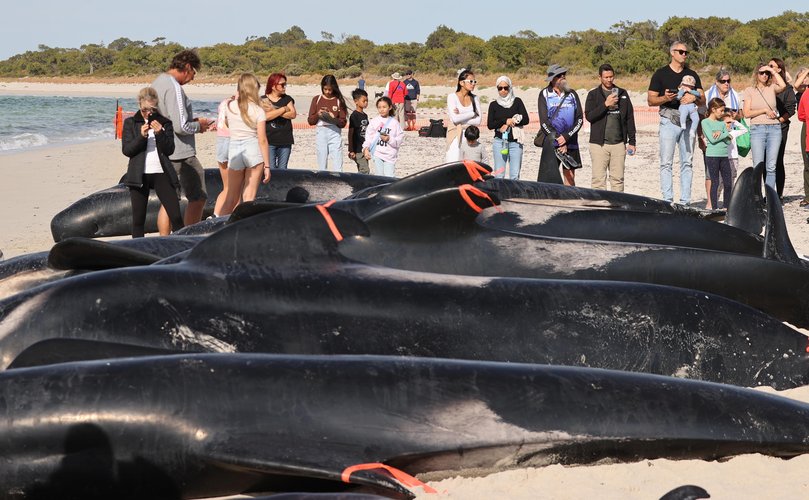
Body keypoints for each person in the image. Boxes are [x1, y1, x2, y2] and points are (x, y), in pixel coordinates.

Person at [151, 49, 213, 234]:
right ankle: (188, 237)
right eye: (194, 72)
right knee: (198, 197)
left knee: (169, 199)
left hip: (161, 147)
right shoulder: (174, 87)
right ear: (187, 67)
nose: (193, 78)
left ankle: (164, 239)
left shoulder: (157, 82)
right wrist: (199, 126)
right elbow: (181, 126)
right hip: (180, 152)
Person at [121, 87, 183, 237]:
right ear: (139, 106)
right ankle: (138, 253)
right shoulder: (131, 123)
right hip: (138, 175)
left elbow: (170, 150)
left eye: (152, 110)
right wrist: (141, 137)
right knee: (138, 220)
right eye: (144, 110)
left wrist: (160, 133)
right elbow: (127, 150)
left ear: (156, 107)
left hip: (161, 172)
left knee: (175, 215)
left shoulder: (165, 123)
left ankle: (182, 246)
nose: (148, 113)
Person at [648, 41, 703, 205]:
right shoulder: (660, 74)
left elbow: (703, 98)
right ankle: (667, 200)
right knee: (666, 162)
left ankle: (685, 201)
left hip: (687, 120)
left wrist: (694, 97)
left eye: (686, 53)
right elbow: (651, 100)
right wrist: (666, 98)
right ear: (672, 53)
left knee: (687, 162)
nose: (684, 55)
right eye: (681, 52)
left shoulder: (692, 74)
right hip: (668, 121)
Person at [220, 73, 271, 216]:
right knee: (248, 198)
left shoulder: (230, 106)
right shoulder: (258, 110)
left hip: (235, 149)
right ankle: (244, 228)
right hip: (252, 148)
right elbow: (262, 139)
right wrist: (267, 165)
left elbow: (226, 123)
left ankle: (219, 228)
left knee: (230, 197)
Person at [585, 63, 636, 192]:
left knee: (618, 180)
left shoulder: (623, 93)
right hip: (598, 145)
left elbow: (630, 118)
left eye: (611, 77)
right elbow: (590, 116)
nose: (609, 80)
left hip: (619, 144)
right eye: (606, 77)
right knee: (598, 180)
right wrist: (606, 104)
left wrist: (632, 142)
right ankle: (600, 209)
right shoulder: (593, 95)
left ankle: (617, 209)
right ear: (600, 77)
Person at [742, 62, 787, 192]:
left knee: (771, 166)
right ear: (756, 74)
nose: (764, 76)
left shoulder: (772, 87)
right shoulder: (749, 90)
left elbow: (783, 85)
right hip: (757, 129)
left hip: (774, 129)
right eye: (762, 73)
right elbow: (746, 113)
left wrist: (773, 71)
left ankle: (769, 197)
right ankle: (756, 196)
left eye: (767, 73)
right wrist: (764, 110)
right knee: (758, 165)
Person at [537, 64, 583, 186]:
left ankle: (569, 203)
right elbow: (544, 123)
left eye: (564, 75)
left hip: (571, 141)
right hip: (552, 142)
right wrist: (558, 140)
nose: (563, 77)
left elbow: (579, 120)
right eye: (559, 76)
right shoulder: (544, 94)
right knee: (550, 179)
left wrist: (566, 137)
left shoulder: (572, 94)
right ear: (552, 79)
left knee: (570, 178)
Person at [704, 69, 744, 207]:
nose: (726, 83)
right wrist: (723, 133)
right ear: (717, 82)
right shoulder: (708, 95)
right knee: (713, 179)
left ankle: (727, 206)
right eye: (723, 81)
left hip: (728, 149)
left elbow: (740, 115)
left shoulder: (735, 96)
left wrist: (733, 118)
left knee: (729, 180)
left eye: (728, 81)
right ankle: (711, 204)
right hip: (712, 152)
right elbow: (713, 136)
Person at [487, 75, 529, 180]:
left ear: (510, 88)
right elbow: (490, 125)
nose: (503, 91)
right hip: (500, 142)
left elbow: (526, 119)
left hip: (515, 142)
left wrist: (513, 121)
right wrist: (504, 121)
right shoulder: (493, 105)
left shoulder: (517, 101)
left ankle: (513, 195)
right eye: (500, 88)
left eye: (506, 88)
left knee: (515, 175)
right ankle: (499, 195)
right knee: (499, 174)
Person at [768, 58, 797, 199]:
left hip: (781, 127)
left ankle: (778, 195)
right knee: (766, 161)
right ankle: (768, 194)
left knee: (778, 160)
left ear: (779, 69)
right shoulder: (765, 86)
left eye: (772, 66)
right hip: (764, 127)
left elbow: (791, 109)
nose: (769, 68)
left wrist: (779, 120)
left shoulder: (787, 89)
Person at [307, 74, 348, 171]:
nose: (328, 92)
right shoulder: (316, 99)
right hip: (321, 131)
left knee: (337, 162)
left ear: (334, 88)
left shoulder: (339, 100)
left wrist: (333, 118)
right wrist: (318, 114)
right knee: (322, 163)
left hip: (335, 132)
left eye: (330, 89)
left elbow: (342, 123)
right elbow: (310, 121)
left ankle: (338, 182)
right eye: (325, 89)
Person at [701, 98, 733, 210]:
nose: (723, 113)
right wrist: (724, 133)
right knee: (715, 183)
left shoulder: (722, 123)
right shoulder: (705, 122)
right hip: (712, 156)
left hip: (724, 155)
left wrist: (721, 133)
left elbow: (729, 140)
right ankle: (714, 208)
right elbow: (712, 140)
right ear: (713, 109)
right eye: (721, 110)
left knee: (728, 183)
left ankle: (726, 207)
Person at [445, 68, 482, 162]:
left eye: (474, 81)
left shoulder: (475, 98)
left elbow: (478, 120)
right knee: (453, 161)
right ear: (461, 83)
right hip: (455, 134)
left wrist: (461, 115)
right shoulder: (452, 97)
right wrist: (472, 113)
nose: (473, 84)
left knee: (469, 163)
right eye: (470, 81)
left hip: (470, 135)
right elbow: (455, 119)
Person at [261, 72, 296, 170]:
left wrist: (273, 110)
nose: (285, 87)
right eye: (282, 84)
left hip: (285, 141)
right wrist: (283, 109)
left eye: (285, 84)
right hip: (269, 141)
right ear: (273, 86)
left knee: (283, 169)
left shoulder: (287, 99)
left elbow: (293, 114)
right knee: (270, 168)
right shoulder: (263, 99)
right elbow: (265, 117)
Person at [362, 96, 404, 177]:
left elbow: (399, 140)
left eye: (384, 107)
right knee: (379, 176)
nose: (382, 109)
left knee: (389, 176)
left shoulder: (395, 123)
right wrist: (366, 148)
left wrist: (389, 139)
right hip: (377, 153)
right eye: (379, 107)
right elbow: (369, 137)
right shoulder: (374, 121)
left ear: (390, 107)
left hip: (390, 155)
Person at [212, 95, 234, 217]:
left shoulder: (224, 102)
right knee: (236, 188)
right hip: (232, 141)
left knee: (226, 187)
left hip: (221, 141)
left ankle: (215, 215)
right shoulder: (237, 104)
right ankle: (231, 216)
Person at [795, 67, 809, 206]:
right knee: (807, 162)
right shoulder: (804, 93)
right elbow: (797, 85)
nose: (805, 78)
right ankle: (808, 195)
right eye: (802, 76)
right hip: (806, 124)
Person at [348, 88, 370, 174]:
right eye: (364, 101)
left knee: (363, 168)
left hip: (365, 148)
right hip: (357, 149)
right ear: (356, 101)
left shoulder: (365, 115)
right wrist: (351, 150)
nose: (366, 103)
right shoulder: (354, 116)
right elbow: (351, 133)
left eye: (367, 101)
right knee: (364, 170)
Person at [676, 75, 701, 141]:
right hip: (684, 106)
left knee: (696, 119)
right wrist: (682, 91)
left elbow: (698, 94)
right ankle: (683, 124)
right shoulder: (681, 90)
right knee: (683, 114)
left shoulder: (693, 91)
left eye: (688, 85)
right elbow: (678, 97)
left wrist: (690, 91)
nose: (686, 86)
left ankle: (692, 130)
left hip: (692, 106)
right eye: (685, 85)